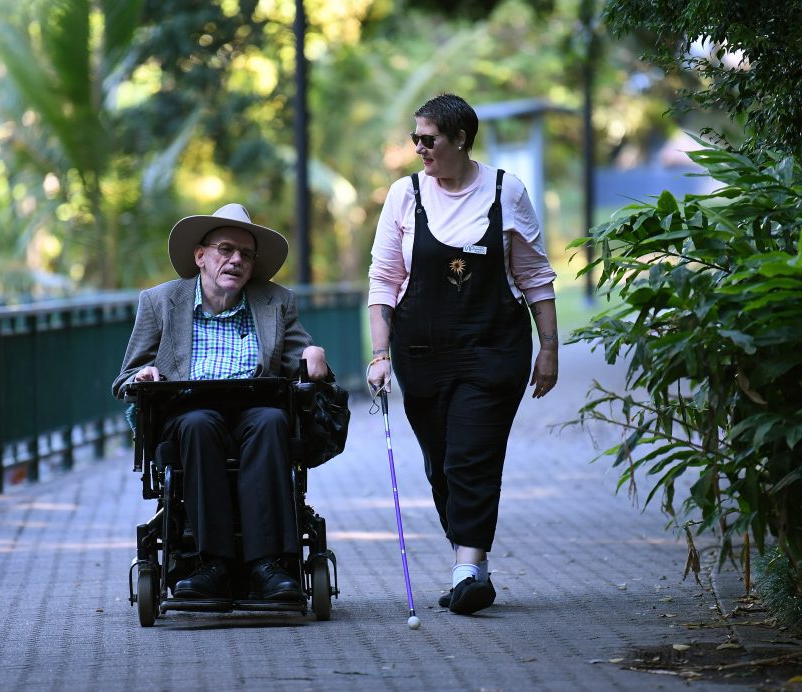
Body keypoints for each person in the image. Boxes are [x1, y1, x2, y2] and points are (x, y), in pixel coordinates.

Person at [366, 93, 559, 615]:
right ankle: (471, 563)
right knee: (441, 465)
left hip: (494, 348)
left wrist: (550, 349)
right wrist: (379, 355)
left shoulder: (505, 191)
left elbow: (535, 276)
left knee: (472, 456)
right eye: (416, 140)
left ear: (460, 140)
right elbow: (385, 280)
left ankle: (468, 569)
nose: (419, 150)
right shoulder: (404, 196)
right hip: (421, 355)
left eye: (429, 140)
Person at [111, 203, 329, 602]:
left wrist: (315, 356)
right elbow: (126, 377)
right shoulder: (161, 302)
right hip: (188, 411)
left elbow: (305, 361)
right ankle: (210, 563)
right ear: (200, 256)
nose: (236, 260)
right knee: (199, 424)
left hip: (254, 409)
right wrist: (143, 375)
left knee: (270, 422)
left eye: (245, 254)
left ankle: (267, 566)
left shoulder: (275, 301)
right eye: (225, 249)